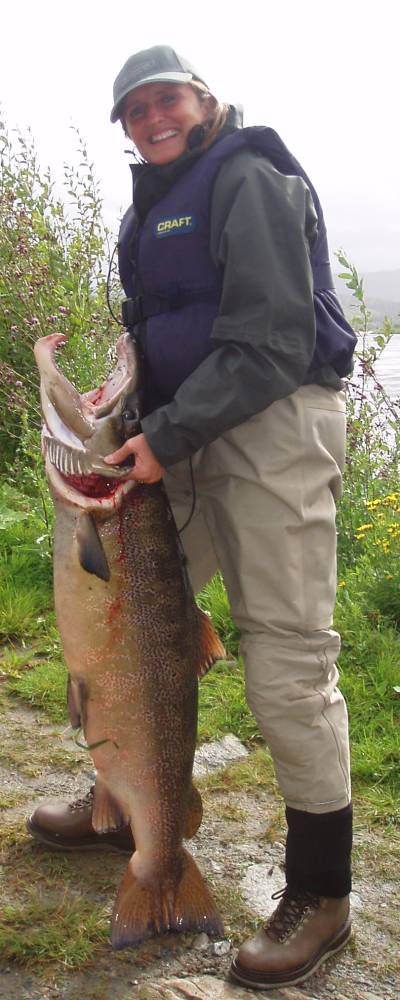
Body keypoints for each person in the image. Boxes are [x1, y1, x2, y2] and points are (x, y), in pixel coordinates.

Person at [28, 45, 356, 989]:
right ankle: (126, 807)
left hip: (273, 427)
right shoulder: (151, 205)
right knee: (132, 624)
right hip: (180, 433)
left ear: (205, 99)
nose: (152, 119)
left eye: (166, 99)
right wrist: (133, 408)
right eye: (134, 111)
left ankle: (323, 894)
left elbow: (274, 338)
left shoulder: (250, 178)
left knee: (288, 666)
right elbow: (173, 326)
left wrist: (165, 434)